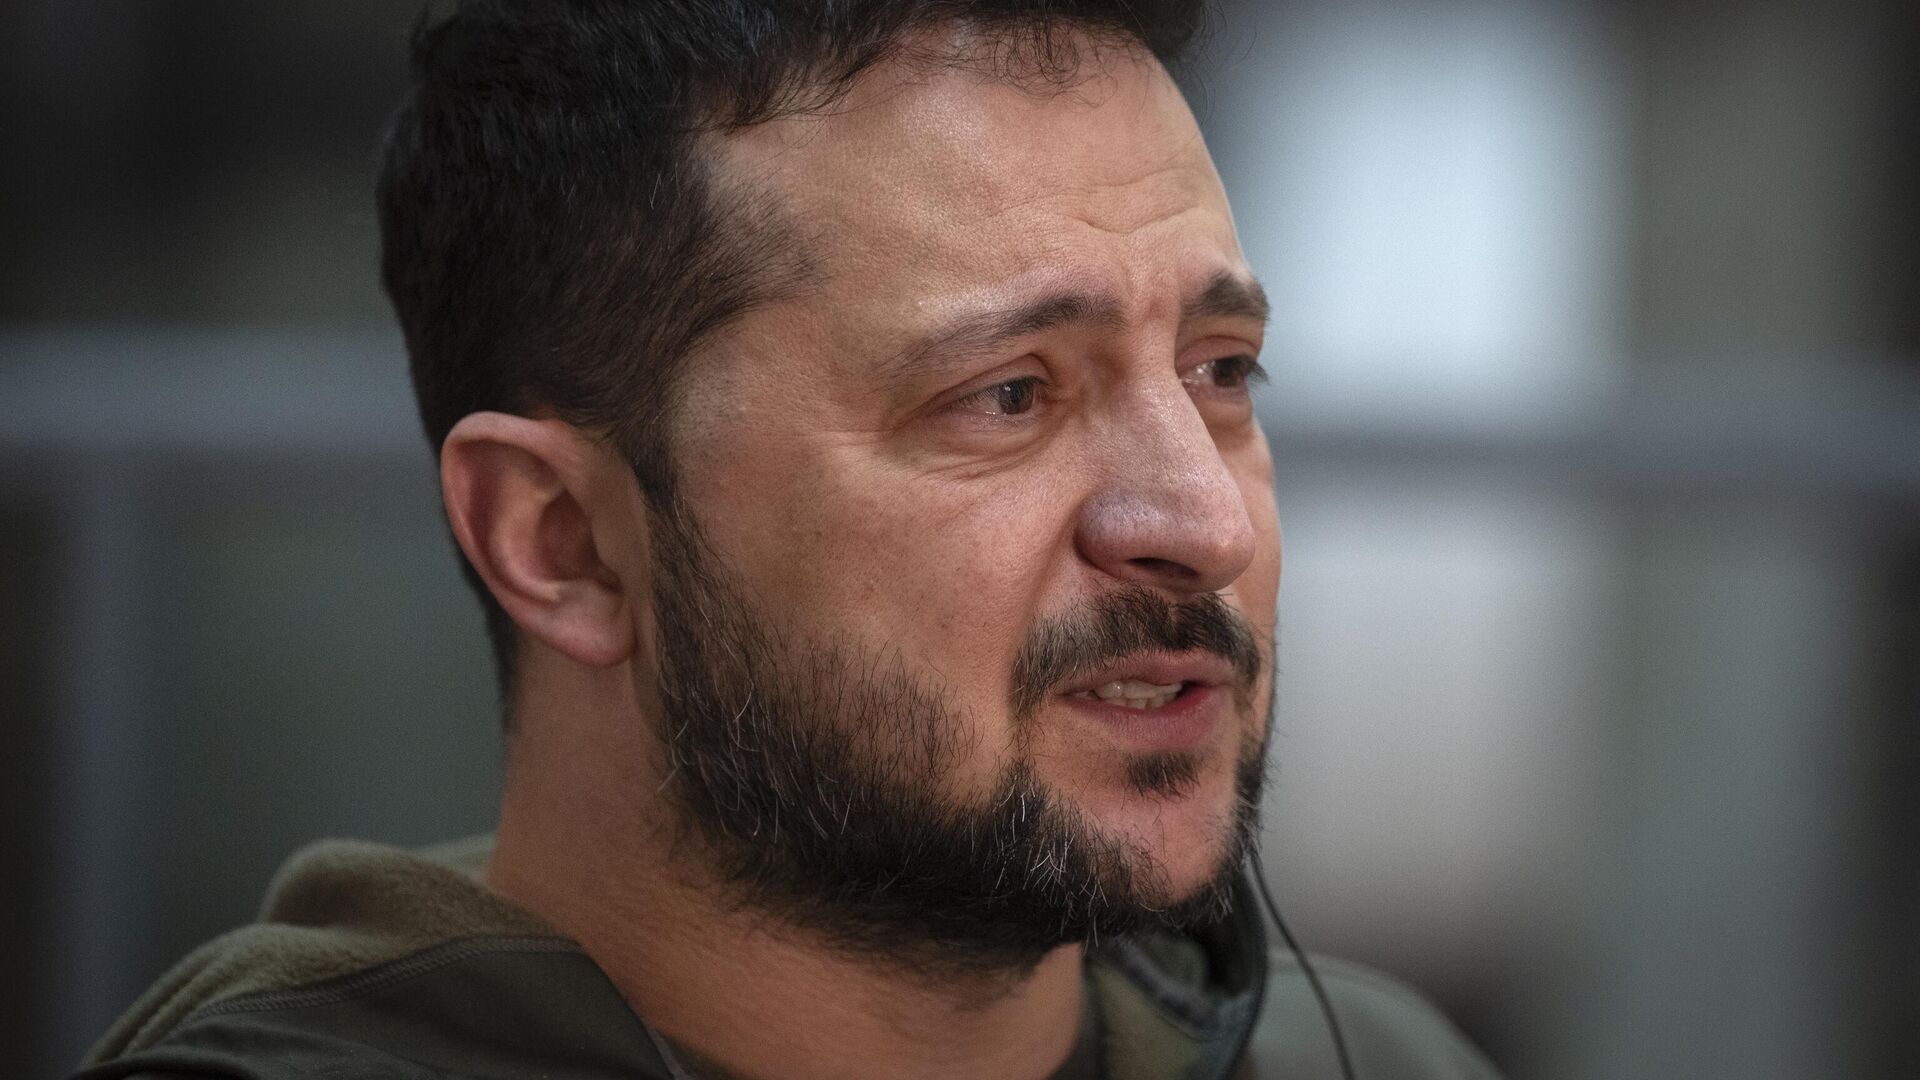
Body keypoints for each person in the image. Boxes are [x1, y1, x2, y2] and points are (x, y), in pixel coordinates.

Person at [74, 2, 1501, 1077]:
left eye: (1222, 372)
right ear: (562, 542)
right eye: (1007, 396)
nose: (1202, 522)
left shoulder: (1367, 1058)